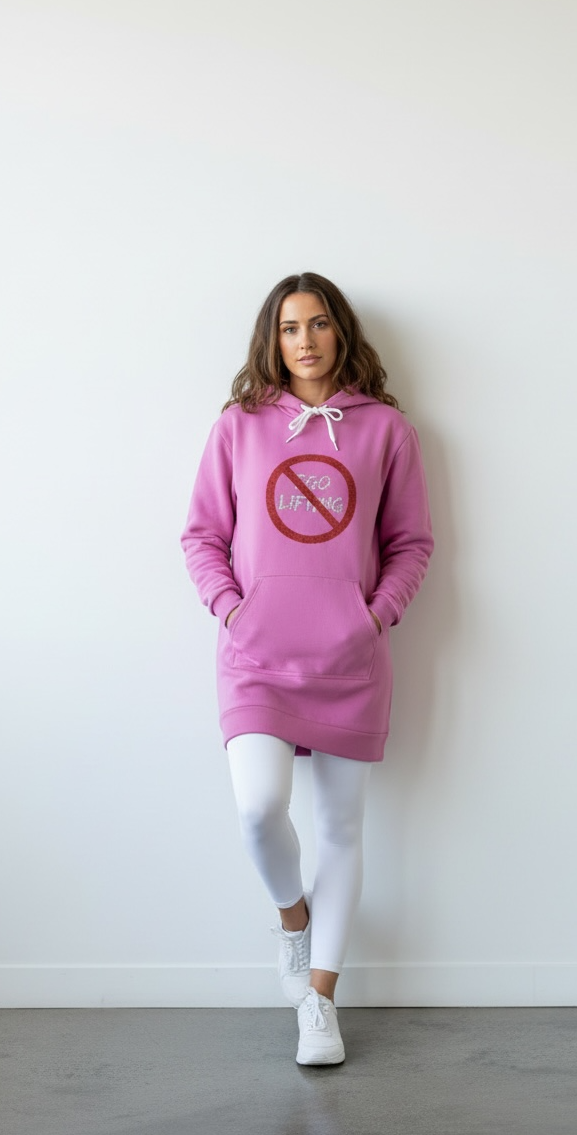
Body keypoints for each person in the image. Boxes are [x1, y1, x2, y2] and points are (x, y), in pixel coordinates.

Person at [181, 273, 433, 1065]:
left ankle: (320, 1001)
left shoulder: (386, 430)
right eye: (289, 328)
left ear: (340, 332)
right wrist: (232, 609)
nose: (305, 341)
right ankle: (294, 921)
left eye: (319, 324)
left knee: (340, 829)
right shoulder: (240, 427)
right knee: (259, 809)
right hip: (255, 659)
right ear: (272, 340)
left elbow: (411, 544)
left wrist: (375, 617)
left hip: (350, 661)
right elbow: (201, 535)